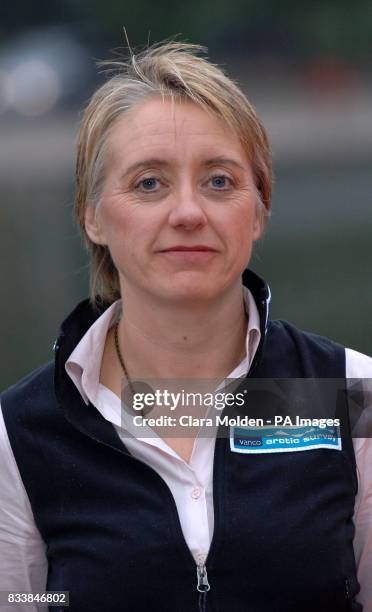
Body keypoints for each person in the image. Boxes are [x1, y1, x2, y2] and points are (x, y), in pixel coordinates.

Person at [0, 41, 371, 612]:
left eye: (220, 181)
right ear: (92, 214)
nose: (189, 212)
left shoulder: (349, 392)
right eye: (149, 183)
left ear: (260, 210)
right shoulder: (21, 433)